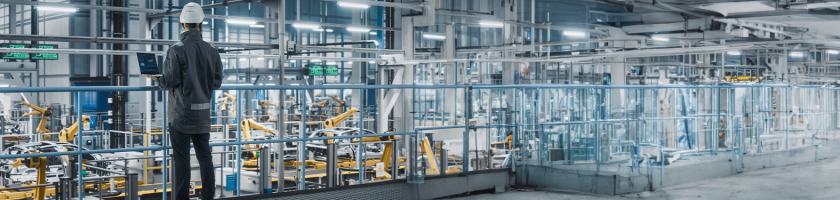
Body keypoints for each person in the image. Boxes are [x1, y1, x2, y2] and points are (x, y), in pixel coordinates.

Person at [146, 2, 222, 200]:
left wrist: (155, 78)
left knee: (182, 159)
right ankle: (208, 196)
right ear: (201, 24)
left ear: (182, 25)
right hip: (203, 115)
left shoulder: (176, 50)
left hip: (181, 116)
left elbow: (170, 81)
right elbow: (216, 82)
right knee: (205, 157)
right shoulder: (212, 51)